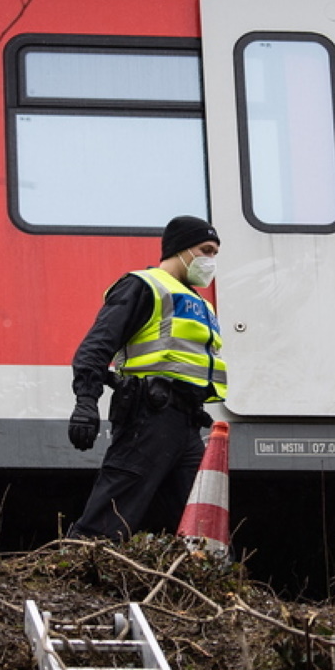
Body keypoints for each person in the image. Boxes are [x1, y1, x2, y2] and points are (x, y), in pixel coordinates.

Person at [67, 215, 228, 542]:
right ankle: (75, 569)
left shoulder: (200, 304)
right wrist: (86, 402)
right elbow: (96, 346)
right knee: (112, 511)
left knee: (202, 517)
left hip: (186, 423)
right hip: (149, 415)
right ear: (182, 250)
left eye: (215, 253)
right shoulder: (144, 285)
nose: (210, 260)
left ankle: (210, 585)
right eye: (205, 250)